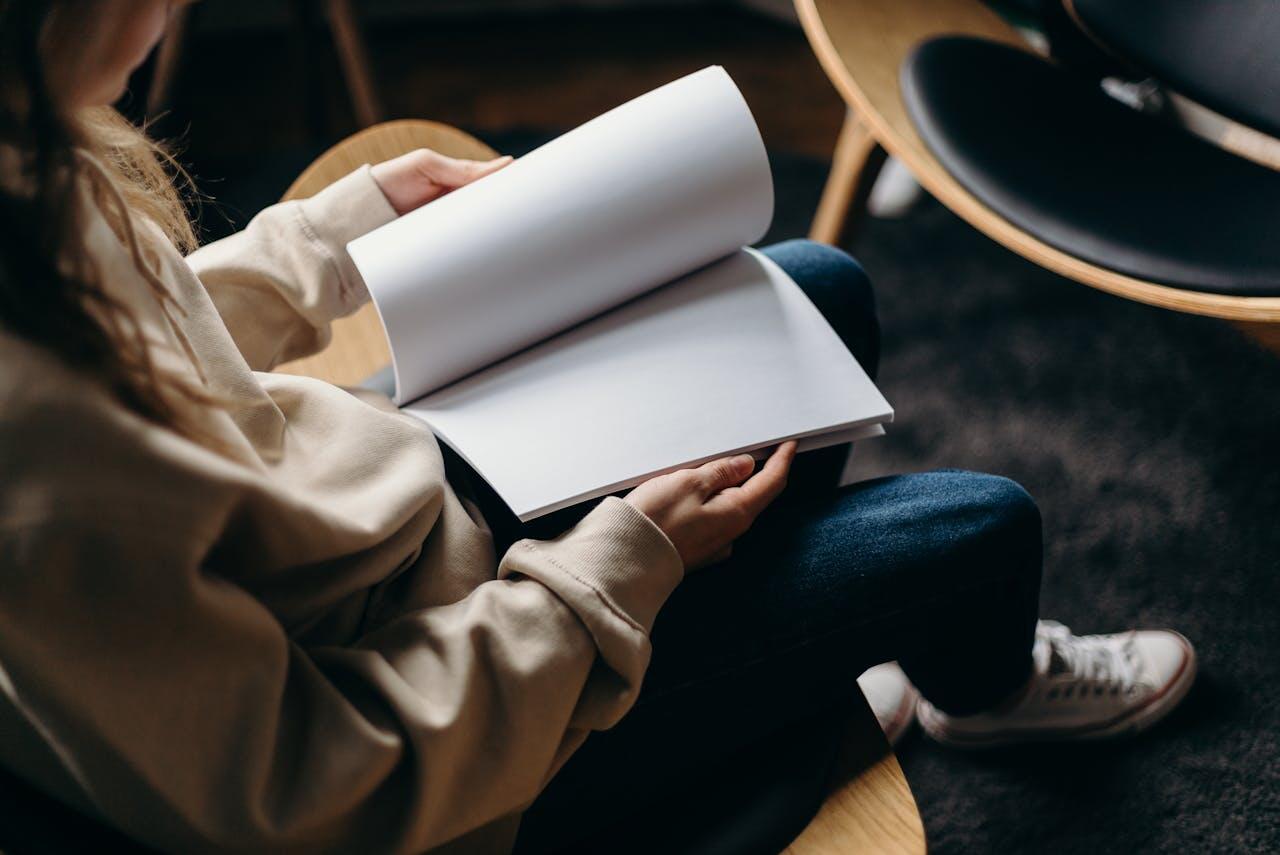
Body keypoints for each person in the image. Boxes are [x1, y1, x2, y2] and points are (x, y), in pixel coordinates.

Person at [0, 2, 1196, 853]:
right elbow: (307, 791)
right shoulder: (44, 464)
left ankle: (778, 679)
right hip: (447, 741)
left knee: (813, 290)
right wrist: (618, 569)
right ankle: (968, 699)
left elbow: (153, 345)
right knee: (976, 532)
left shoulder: (30, 164)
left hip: (383, 531)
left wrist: (332, 241)